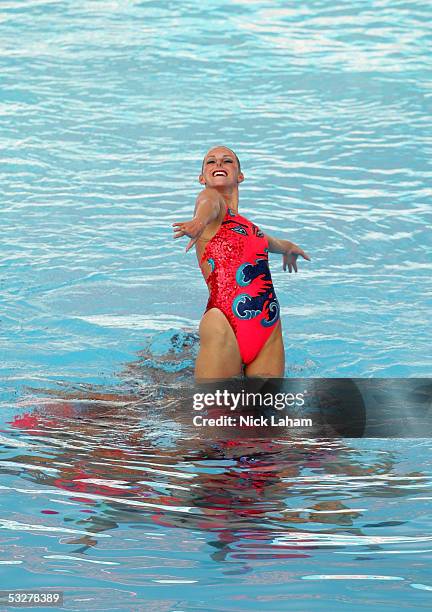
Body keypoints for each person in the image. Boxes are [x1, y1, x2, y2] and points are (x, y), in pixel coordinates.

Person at [173, 146, 310, 379]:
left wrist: (289, 249)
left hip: (267, 330)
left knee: (264, 410)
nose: (218, 165)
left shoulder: (248, 228)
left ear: (240, 176)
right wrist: (198, 222)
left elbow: (271, 242)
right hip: (223, 324)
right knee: (216, 411)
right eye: (210, 162)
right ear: (201, 178)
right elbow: (207, 206)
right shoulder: (211, 200)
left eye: (227, 161)